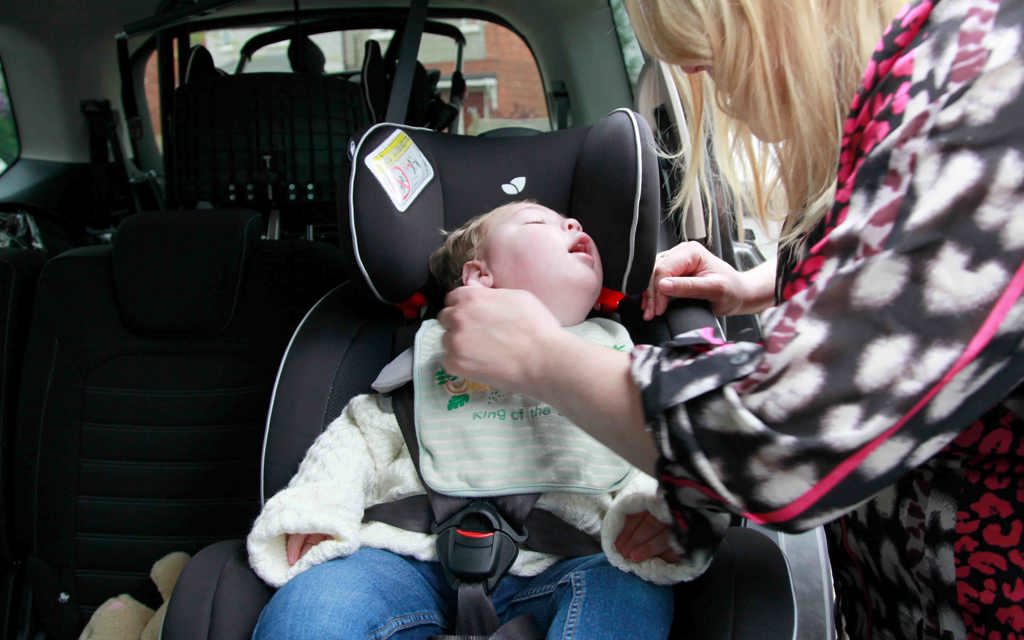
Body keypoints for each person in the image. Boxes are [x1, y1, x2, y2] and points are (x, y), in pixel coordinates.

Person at [436, 1, 1024, 639]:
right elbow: (913, 278)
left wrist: (539, 358)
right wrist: (762, 285)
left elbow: (784, 437)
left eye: (702, 40)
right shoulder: (917, 86)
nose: (688, 67)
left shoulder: (990, 85)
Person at [247, 201, 704, 640]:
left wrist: (656, 512)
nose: (573, 225)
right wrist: (319, 507)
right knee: (314, 605)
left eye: (572, 221)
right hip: (406, 555)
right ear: (479, 276)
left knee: (628, 594)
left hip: (567, 561)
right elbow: (360, 434)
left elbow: (654, 454)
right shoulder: (429, 361)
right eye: (537, 222)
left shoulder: (618, 363)